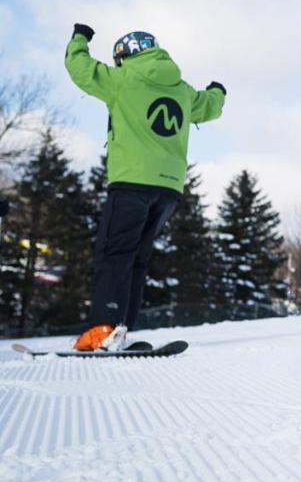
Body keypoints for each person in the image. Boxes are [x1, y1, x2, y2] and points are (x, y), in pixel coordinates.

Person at [64, 25, 226, 351]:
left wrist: (79, 38)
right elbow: (210, 105)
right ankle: (122, 329)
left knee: (114, 254)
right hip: (168, 190)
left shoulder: (123, 80)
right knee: (137, 258)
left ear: (124, 55)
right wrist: (218, 91)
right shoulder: (181, 89)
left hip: (130, 184)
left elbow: (80, 69)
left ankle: (102, 330)